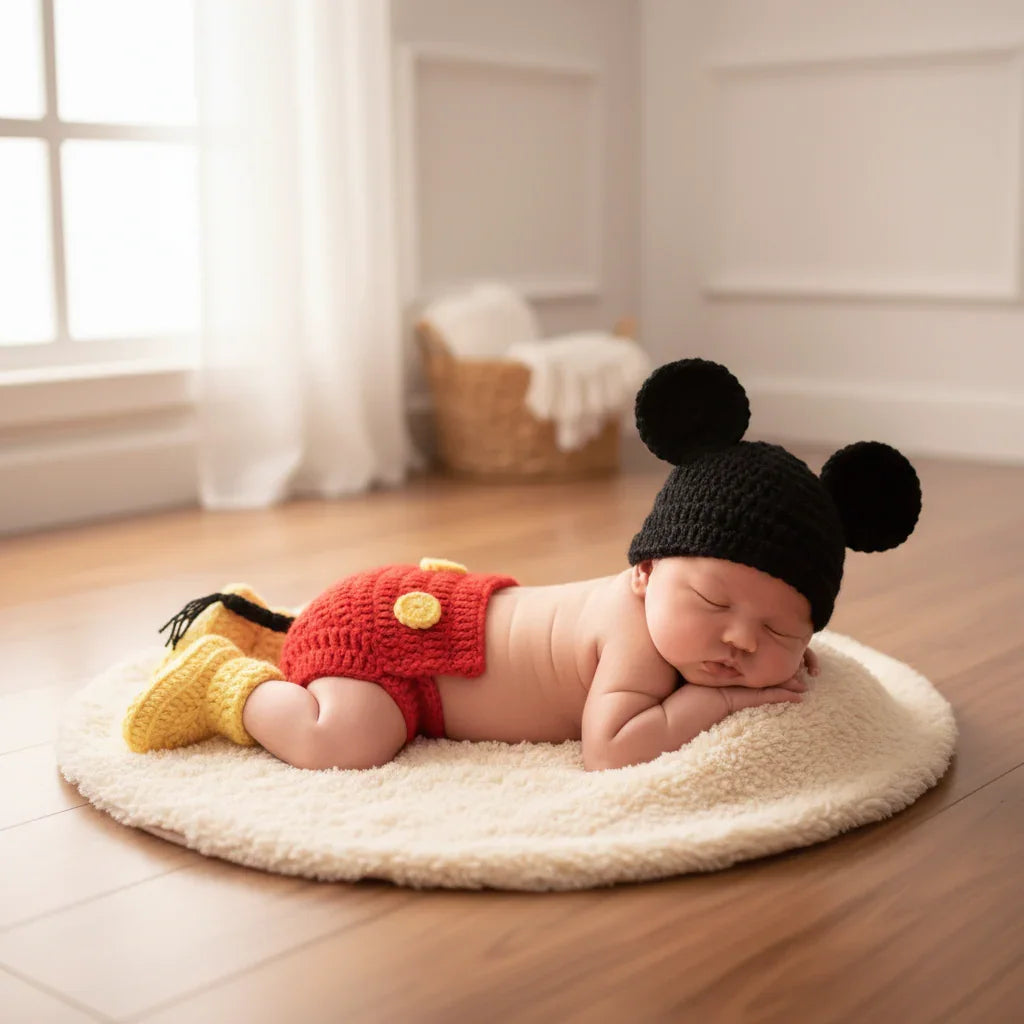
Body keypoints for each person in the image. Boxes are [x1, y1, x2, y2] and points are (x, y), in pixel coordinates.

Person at [122, 358, 921, 772]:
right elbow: (613, 747)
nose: (743, 642)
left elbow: (753, 621)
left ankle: (273, 640)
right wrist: (717, 702)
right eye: (714, 604)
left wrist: (774, 652)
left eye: (781, 628)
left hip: (438, 626)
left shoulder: (697, 623)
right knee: (349, 740)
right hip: (397, 650)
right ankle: (228, 682)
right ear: (642, 576)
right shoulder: (636, 639)